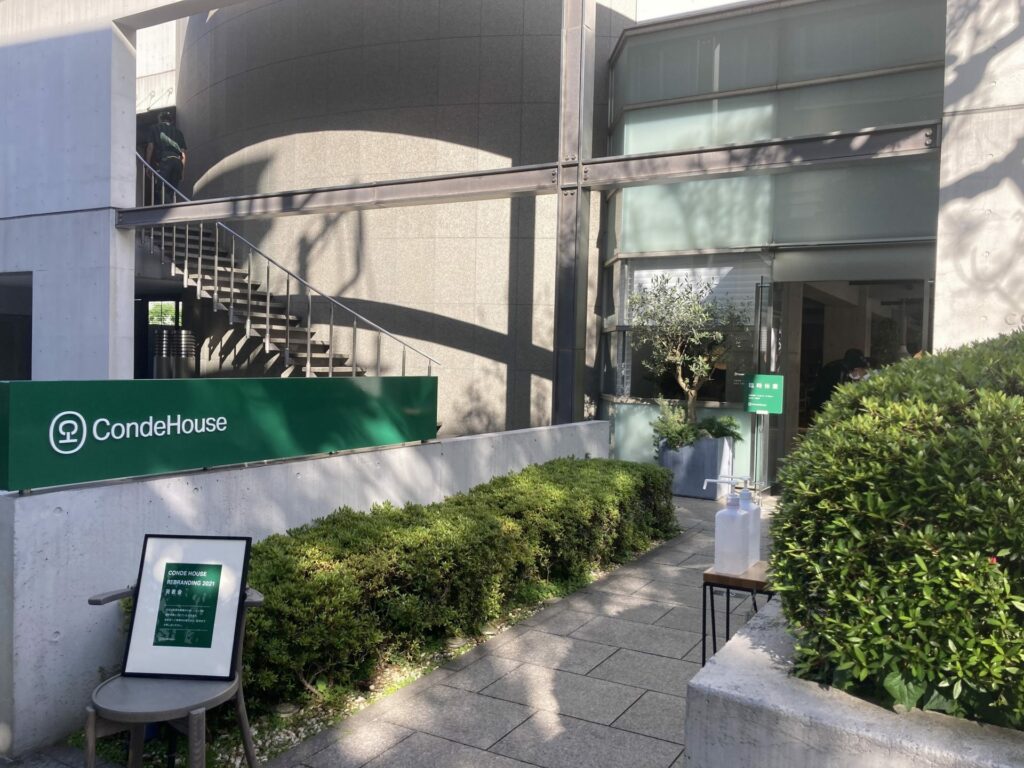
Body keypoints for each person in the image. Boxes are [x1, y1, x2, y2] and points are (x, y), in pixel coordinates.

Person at [811, 348, 869, 413]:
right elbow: (823, 392)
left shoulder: (850, 367)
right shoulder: (833, 370)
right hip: (825, 401)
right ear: (855, 369)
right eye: (862, 370)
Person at [146, 111, 188, 193]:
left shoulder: (155, 128)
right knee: (172, 190)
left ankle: (166, 205)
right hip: (177, 162)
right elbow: (183, 154)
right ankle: (171, 205)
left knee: (160, 189)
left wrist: (148, 165)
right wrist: (182, 171)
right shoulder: (178, 132)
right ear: (171, 120)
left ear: (160, 119)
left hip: (165, 161)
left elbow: (150, 147)